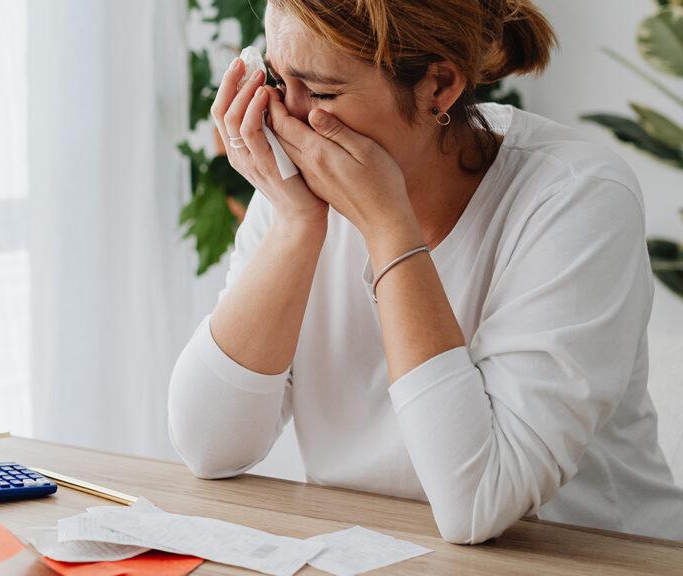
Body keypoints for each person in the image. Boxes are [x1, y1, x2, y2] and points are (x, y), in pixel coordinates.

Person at [168, 0, 683, 544]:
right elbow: (209, 447)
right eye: (276, 77)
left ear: (439, 86)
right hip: (384, 552)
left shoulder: (576, 197)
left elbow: (478, 502)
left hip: (594, 558)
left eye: (321, 93)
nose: (286, 116)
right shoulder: (300, 189)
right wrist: (295, 223)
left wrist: (389, 226)